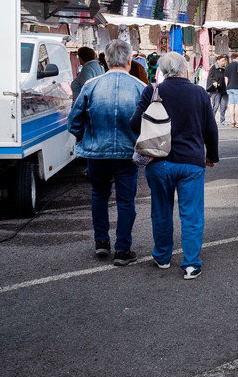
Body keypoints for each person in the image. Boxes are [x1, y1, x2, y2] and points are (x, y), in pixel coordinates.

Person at [130, 52, 219, 280]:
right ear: (184, 68)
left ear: (161, 70)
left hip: (159, 161)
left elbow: (133, 124)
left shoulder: (153, 91)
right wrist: (212, 155)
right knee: (191, 214)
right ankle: (191, 264)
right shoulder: (199, 93)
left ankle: (162, 256)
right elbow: (211, 129)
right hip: (191, 163)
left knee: (161, 211)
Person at [67, 40, 143, 265]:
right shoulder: (140, 87)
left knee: (99, 196)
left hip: (96, 151)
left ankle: (101, 242)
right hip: (128, 153)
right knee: (126, 201)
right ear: (129, 60)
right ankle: (122, 250)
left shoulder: (91, 85)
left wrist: (86, 138)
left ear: (106, 61)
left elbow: (74, 121)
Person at [224, 52, 238, 127]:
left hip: (229, 87)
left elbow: (226, 78)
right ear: (237, 58)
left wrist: (227, 87)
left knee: (232, 105)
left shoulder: (227, 66)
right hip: (237, 87)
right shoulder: (237, 64)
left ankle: (232, 121)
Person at [206, 55, 227, 125]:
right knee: (215, 105)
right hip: (216, 90)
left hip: (224, 90)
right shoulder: (213, 68)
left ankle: (222, 119)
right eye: (222, 61)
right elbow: (210, 78)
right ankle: (211, 120)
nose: (223, 62)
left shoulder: (225, 69)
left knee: (223, 106)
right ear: (218, 61)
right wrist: (214, 82)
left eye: (224, 61)